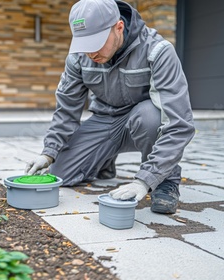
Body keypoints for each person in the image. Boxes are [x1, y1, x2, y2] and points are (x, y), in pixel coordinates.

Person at [25, 0, 195, 214]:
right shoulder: (78, 58)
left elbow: (179, 124)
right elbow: (66, 109)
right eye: (84, 44)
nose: (90, 54)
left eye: (95, 43)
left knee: (150, 117)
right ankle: (104, 159)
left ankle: (165, 180)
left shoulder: (157, 51)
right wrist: (49, 153)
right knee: (62, 174)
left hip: (142, 122)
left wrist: (143, 181)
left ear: (119, 27)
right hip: (105, 120)